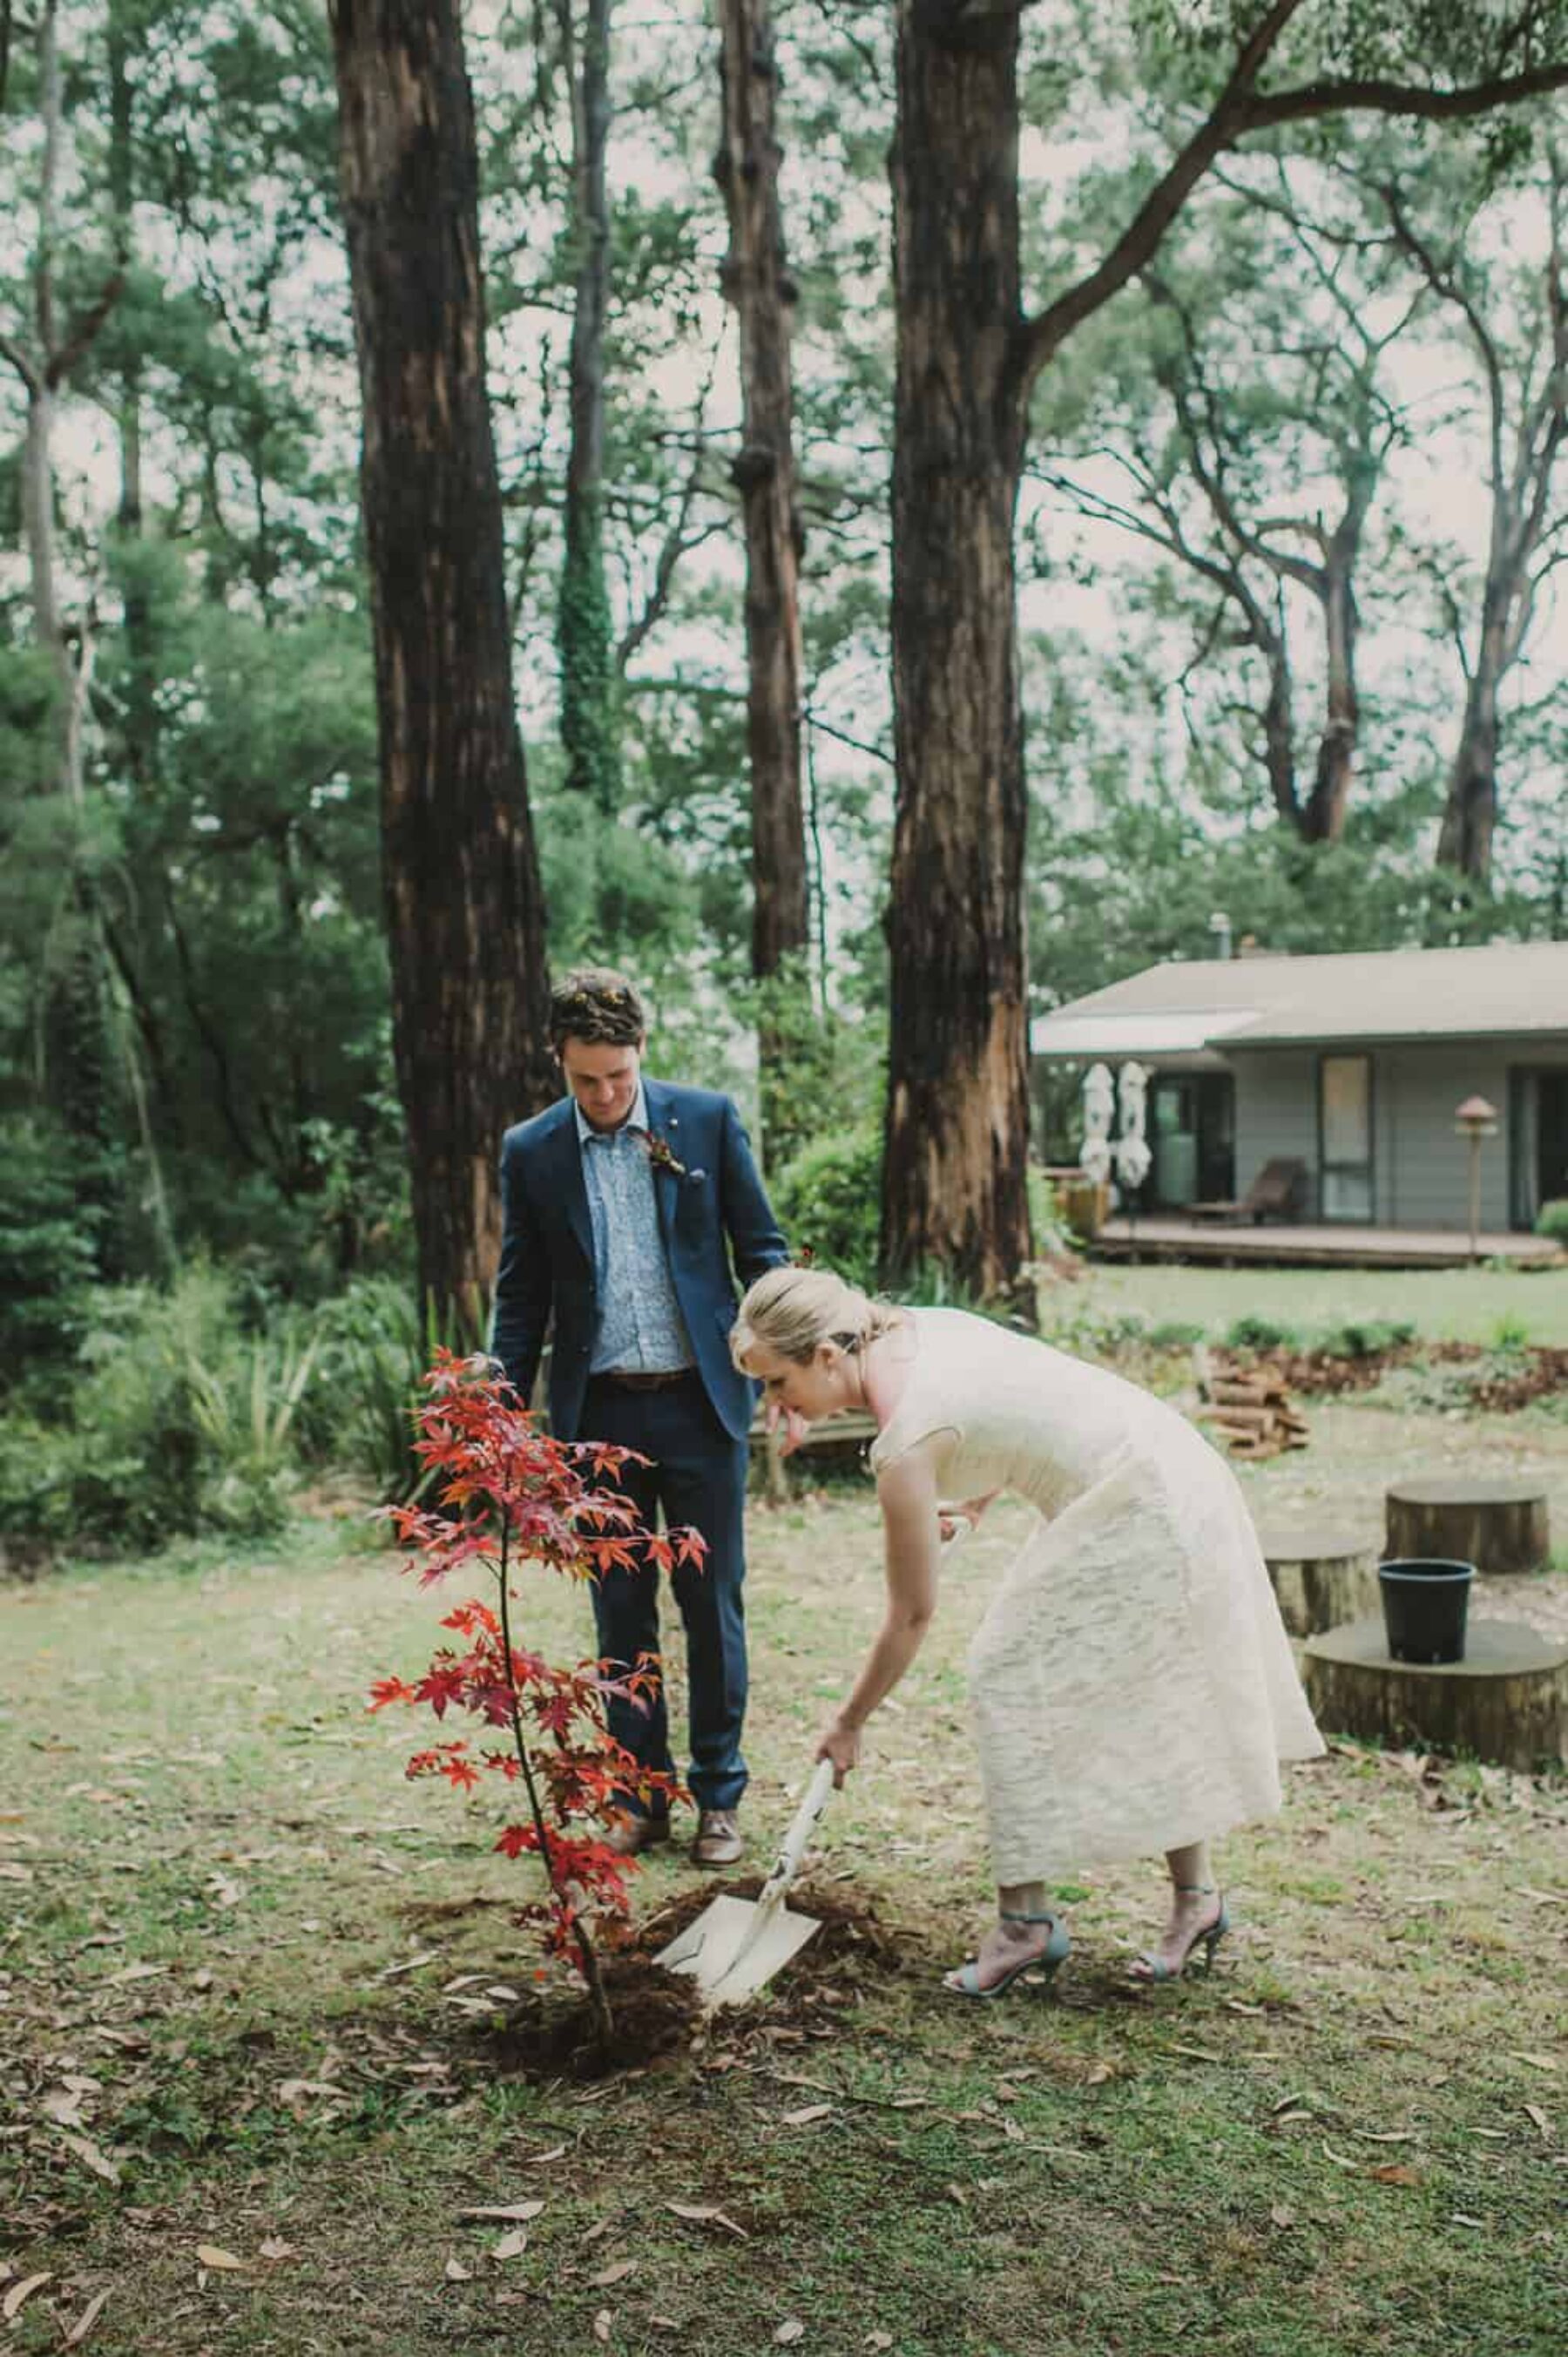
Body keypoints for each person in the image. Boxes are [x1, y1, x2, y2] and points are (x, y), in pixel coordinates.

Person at [730, 1266, 1324, 1995]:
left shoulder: (907, 1443)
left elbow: (912, 1615)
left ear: (826, 1356)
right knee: (1142, 1681)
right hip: (1167, 1463)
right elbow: (1008, 1404)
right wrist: (975, 1495)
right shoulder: (910, 1328)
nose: (772, 1405)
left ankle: (1026, 1924)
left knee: (1006, 1670)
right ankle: (1195, 1900)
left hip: (1143, 1499)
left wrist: (848, 1721)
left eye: (775, 1382)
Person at [491, 968, 788, 1866]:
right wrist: (502, 1428)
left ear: (641, 1052)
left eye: (618, 1074)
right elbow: (521, 1298)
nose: (606, 1094)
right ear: (559, 1061)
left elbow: (762, 1250)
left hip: (702, 1406)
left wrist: (777, 1373)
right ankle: (641, 1794)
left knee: (713, 1608)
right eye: (586, 1078)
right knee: (621, 1619)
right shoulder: (532, 1150)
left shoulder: (706, 1119)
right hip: (598, 1417)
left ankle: (718, 1798)